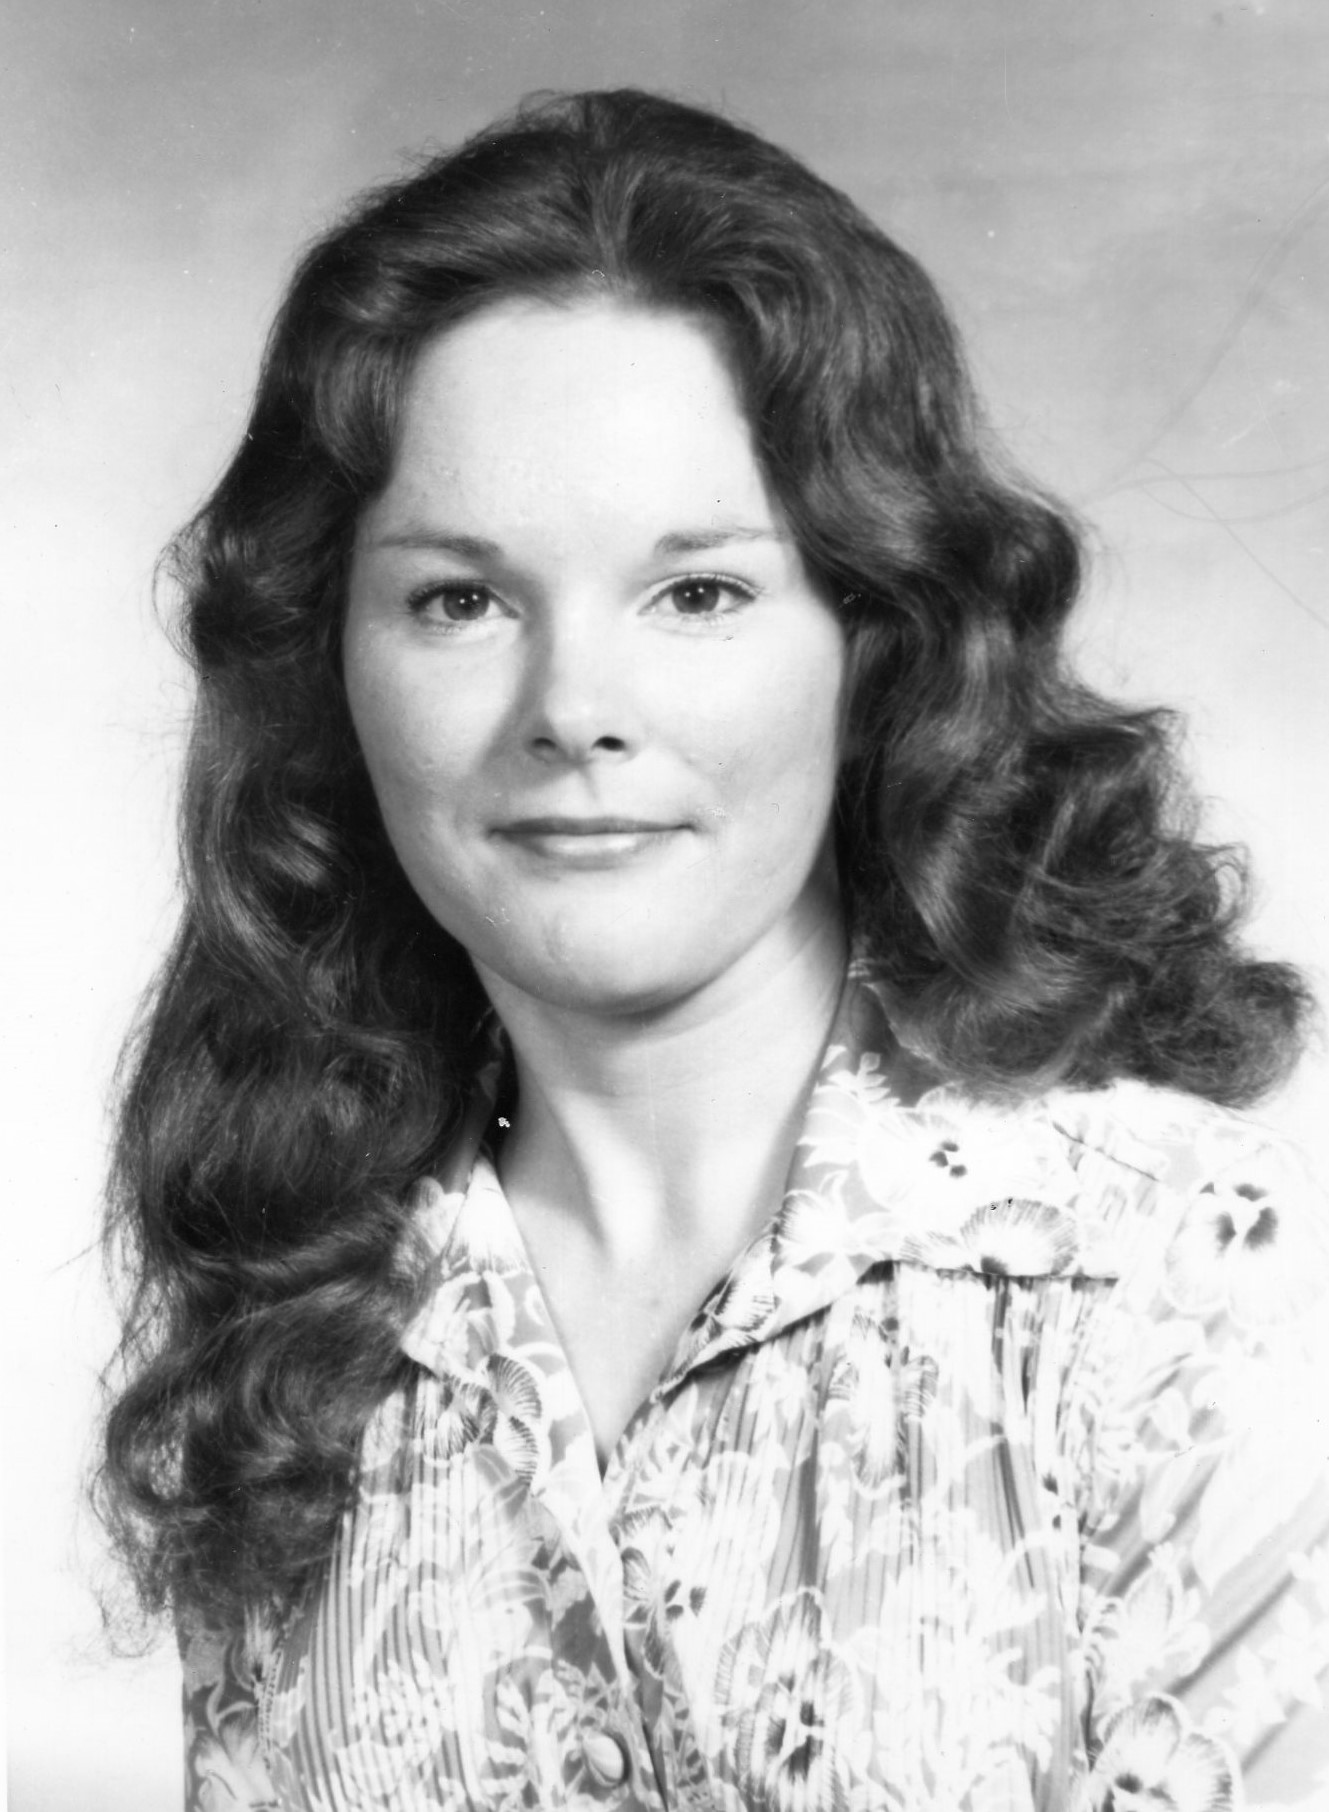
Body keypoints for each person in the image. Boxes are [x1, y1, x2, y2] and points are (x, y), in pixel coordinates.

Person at [99, 88, 1329, 1812]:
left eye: (697, 593)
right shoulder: (298, 1346)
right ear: (332, 665)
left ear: (875, 642)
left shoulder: (1192, 1279)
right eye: (460, 599)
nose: (572, 709)